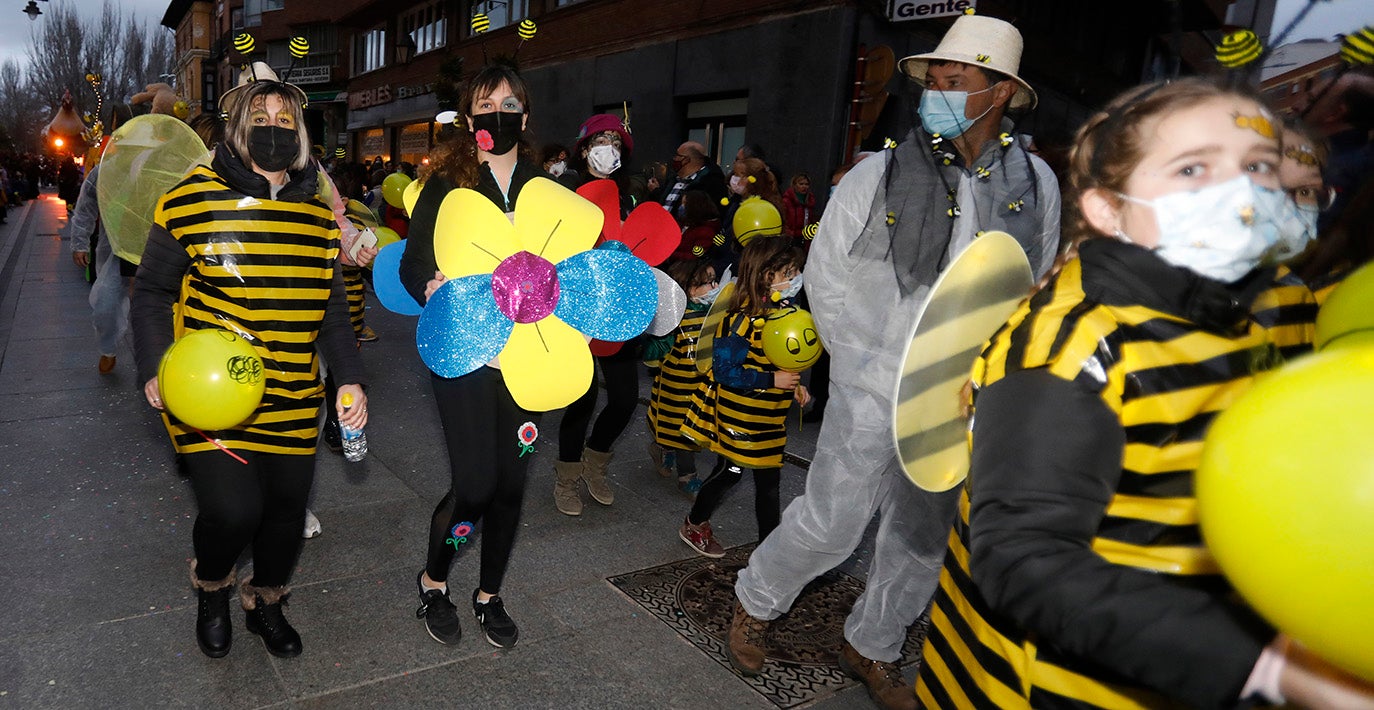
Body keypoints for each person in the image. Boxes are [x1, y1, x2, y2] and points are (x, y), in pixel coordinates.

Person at [913, 75, 1374, 710]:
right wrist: (1264, 669)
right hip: (1041, 686)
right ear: (1109, 209)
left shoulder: (1285, 303)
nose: (1240, 190)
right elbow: (1024, 561)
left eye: (1259, 166)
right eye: (1193, 169)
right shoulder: (1072, 348)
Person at [727, 14, 1060, 710]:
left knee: (919, 540)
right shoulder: (876, 175)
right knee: (833, 521)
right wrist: (857, 366)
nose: (937, 90)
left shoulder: (1037, 185)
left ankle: (872, 645)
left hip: (965, 396)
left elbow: (1033, 284)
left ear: (998, 93)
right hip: (871, 384)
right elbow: (826, 275)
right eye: (934, 79)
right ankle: (754, 602)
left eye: (956, 80)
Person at [130, 72, 368, 660]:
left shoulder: (317, 216)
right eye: (259, 118)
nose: (273, 129)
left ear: (303, 133)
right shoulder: (191, 198)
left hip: (294, 396)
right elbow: (153, 293)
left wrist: (351, 378)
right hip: (213, 396)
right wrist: (157, 366)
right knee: (233, 512)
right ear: (236, 128)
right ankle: (212, 587)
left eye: (286, 120)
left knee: (285, 519)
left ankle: (266, 601)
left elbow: (332, 311)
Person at [399, 62, 542, 649]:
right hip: (465, 353)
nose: (498, 114)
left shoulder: (545, 187)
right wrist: (430, 284)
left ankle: (490, 595)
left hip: (532, 358)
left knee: (511, 485)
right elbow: (412, 266)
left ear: (525, 117)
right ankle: (435, 579)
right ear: (470, 116)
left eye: (510, 104)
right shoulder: (448, 184)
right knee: (476, 485)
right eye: (486, 104)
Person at [678, 238, 808, 557]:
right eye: (786, 272)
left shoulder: (784, 311)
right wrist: (771, 379)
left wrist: (794, 385)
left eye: (796, 271)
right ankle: (695, 524)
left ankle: (768, 548)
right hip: (739, 416)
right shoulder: (741, 318)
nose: (794, 278)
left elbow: (783, 355)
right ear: (763, 274)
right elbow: (725, 371)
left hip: (769, 417)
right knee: (730, 473)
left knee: (769, 482)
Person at [551, 112, 641, 517]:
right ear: (584, 148)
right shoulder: (564, 188)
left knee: (624, 399)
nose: (610, 149)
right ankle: (566, 477)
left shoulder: (629, 193)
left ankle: (595, 461)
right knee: (582, 397)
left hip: (618, 306)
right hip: (577, 305)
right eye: (602, 141)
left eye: (617, 143)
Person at [69, 104, 135, 374]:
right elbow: (85, 206)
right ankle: (108, 349)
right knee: (106, 304)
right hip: (118, 250)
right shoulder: (106, 168)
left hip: (157, 250)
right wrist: (79, 242)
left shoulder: (157, 163)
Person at [645, 258, 718, 496]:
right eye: (707, 283)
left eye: (714, 281)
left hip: (701, 388)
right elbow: (654, 354)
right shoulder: (675, 318)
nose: (715, 288)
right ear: (687, 288)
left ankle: (665, 450)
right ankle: (687, 475)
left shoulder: (715, 315)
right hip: (674, 389)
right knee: (675, 427)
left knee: (690, 429)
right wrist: (660, 340)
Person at [659, 141, 727, 220]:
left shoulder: (710, 183)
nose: (674, 158)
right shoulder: (673, 179)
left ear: (686, 160)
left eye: (678, 155)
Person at [781, 173, 816, 238]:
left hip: (806, 237)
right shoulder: (786, 201)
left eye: (806, 184)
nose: (804, 187)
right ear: (794, 185)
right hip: (790, 237)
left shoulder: (810, 201)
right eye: (801, 184)